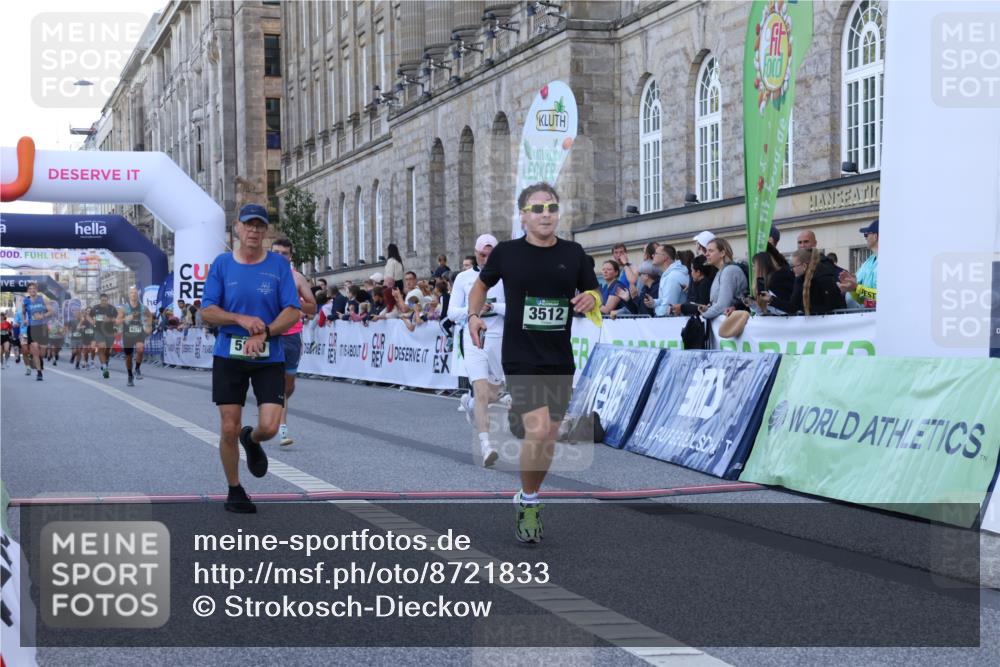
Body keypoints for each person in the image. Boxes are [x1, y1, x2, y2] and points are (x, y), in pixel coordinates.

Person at [469, 182, 600, 544]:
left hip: (558, 355)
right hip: (520, 354)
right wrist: (473, 316)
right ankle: (530, 502)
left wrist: (590, 298)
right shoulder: (507, 253)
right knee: (539, 430)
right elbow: (480, 287)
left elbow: (592, 290)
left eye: (552, 208)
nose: (546, 215)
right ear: (523, 215)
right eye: (537, 209)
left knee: (549, 436)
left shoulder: (573, 253)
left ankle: (528, 494)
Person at [200, 203, 301, 514]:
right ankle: (235, 490)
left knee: (269, 427)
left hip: (269, 353)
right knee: (228, 427)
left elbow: (292, 310)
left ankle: (252, 439)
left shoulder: (278, 266)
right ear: (238, 229)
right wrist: (241, 320)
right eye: (249, 225)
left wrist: (265, 332)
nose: (255, 230)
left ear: (265, 231)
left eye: (260, 226)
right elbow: (207, 310)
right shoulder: (221, 265)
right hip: (229, 354)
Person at [447, 234, 505, 468]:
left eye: (491, 254)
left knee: (495, 394)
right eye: (482, 254)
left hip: (499, 339)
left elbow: (515, 307)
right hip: (473, 339)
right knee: (481, 392)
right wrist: (473, 310)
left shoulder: (506, 277)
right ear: (476, 253)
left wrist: (494, 306)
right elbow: (452, 313)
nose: (486, 258)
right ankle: (486, 446)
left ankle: (470, 405)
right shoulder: (463, 278)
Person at [270, 238, 318, 447]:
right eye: (276, 252)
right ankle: (282, 428)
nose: (280, 256)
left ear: (290, 257)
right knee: (276, 383)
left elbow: (312, 307)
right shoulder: (262, 276)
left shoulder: (297, 278)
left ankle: (280, 400)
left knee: (288, 385)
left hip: (292, 336)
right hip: (271, 335)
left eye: (284, 253)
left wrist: (295, 302)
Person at [765, 248, 847, 315]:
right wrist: (771, 299)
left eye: (793, 266)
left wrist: (804, 309)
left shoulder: (823, 277)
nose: (791, 269)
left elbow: (832, 305)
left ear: (804, 266)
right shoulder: (800, 279)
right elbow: (792, 307)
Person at [699, 237, 748, 321]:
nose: (706, 254)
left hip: (733, 324)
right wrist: (708, 308)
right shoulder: (721, 271)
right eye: (706, 251)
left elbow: (723, 306)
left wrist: (703, 315)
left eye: (710, 251)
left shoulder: (729, 271)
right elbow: (718, 303)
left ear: (722, 253)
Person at [839, 219, 878, 308]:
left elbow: (883, 296)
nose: (865, 237)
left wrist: (856, 288)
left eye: (866, 234)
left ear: (875, 236)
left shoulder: (890, 262)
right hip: (867, 316)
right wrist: (851, 287)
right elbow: (861, 299)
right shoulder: (868, 262)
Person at [118, 286, 152, 386]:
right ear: (129, 295)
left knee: (140, 349)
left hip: (139, 332)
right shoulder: (124, 308)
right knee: (128, 357)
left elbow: (150, 316)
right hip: (128, 334)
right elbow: (117, 321)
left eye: (135, 293)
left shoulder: (143, 307)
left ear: (138, 295)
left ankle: (137, 368)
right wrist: (125, 319)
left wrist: (149, 326)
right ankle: (129, 375)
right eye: (132, 293)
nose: (134, 294)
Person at [23, 283, 55, 381]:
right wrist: (25, 320)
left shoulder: (43, 299)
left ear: (37, 290)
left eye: (34, 288)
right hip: (32, 328)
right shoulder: (26, 301)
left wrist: (42, 316)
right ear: (28, 291)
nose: (32, 290)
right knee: (35, 351)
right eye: (30, 288)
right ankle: (39, 372)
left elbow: (51, 311)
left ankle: (39, 360)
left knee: (42, 353)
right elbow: (23, 312)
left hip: (43, 327)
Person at [649, 244, 688, 316]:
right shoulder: (670, 274)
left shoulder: (672, 277)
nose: (652, 255)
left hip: (676, 323)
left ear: (665, 257)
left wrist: (655, 309)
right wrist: (654, 302)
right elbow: (665, 300)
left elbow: (667, 309)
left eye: (656, 253)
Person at [89, 293, 118, 379]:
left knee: (108, 351)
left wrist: (110, 319)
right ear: (100, 300)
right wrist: (92, 321)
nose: (104, 302)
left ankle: (106, 362)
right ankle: (105, 368)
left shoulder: (112, 309)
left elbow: (117, 320)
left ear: (107, 300)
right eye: (102, 300)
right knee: (101, 347)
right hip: (98, 331)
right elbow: (89, 316)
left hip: (109, 332)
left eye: (105, 300)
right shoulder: (95, 308)